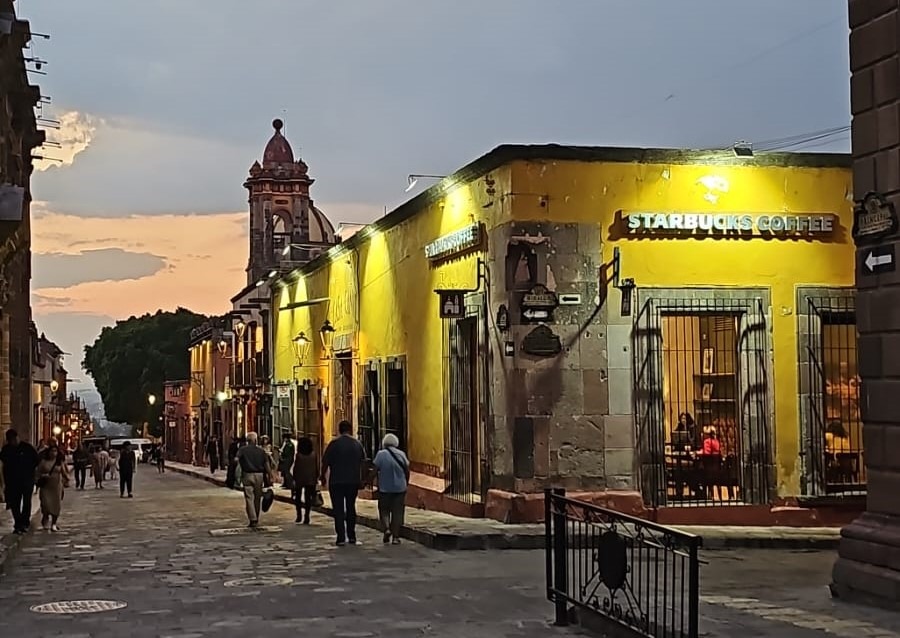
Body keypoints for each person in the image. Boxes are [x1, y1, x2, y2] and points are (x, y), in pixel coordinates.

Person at [320, 420, 367, 546]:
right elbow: (363, 463)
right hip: (352, 481)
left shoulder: (333, 444)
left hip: (336, 481)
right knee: (351, 507)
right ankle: (352, 536)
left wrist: (322, 476)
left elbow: (325, 462)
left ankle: (341, 537)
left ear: (339, 430)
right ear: (350, 429)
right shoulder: (357, 444)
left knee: (338, 509)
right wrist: (363, 480)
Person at [0, 429, 39, 535]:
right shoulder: (6, 450)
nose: (13, 442)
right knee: (14, 504)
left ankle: (25, 523)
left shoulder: (27, 448)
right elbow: (2, 465)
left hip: (27, 480)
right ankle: (18, 524)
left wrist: (33, 475)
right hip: (12, 482)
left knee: (27, 502)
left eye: (14, 439)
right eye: (10, 440)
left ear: (17, 437)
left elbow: (36, 462)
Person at [373, 433, 409, 545]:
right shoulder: (401, 454)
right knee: (397, 512)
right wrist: (406, 482)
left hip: (385, 488)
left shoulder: (380, 454)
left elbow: (374, 470)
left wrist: (368, 481)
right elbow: (407, 470)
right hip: (400, 488)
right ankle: (396, 537)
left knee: (384, 510)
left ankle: (387, 529)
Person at [235, 432, 274, 528]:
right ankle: (256, 516)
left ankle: (253, 519)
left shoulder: (242, 450)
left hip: (247, 475)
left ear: (247, 441)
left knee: (249, 498)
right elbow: (266, 465)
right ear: (256, 440)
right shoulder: (261, 451)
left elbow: (236, 459)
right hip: (259, 475)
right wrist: (270, 475)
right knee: (257, 498)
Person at [35, 440, 69, 532]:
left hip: (56, 486)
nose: (53, 453)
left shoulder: (59, 462)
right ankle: (45, 518)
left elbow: (64, 472)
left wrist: (66, 480)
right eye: (52, 451)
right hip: (46, 487)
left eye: (55, 451)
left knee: (56, 505)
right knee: (45, 505)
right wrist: (42, 476)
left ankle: (54, 523)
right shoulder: (43, 462)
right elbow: (37, 473)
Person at [292, 437, 318, 525]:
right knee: (308, 498)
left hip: (300, 478)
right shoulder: (313, 454)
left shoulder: (299, 455)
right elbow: (316, 467)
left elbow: (296, 467)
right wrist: (316, 477)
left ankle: (299, 515)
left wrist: (294, 477)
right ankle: (307, 515)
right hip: (311, 478)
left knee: (298, 497)